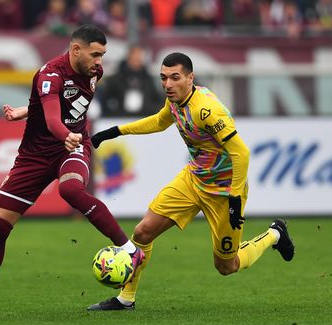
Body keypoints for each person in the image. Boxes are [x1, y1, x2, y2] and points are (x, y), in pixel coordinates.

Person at [0, 24, 144, 320]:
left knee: (70, 189)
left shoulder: (94, 73)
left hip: (73, 146)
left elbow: (66, 104)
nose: (100, 62)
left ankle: (129, 249)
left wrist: (54, 127)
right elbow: (52, 117)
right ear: (76, 49)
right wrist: (60, 130)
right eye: (96, 54)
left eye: (102, 55)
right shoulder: (50, 74)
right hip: (36, 154)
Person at [87, 52, 295, 311]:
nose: (168, 84)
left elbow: (241, 153)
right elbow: (159, 121)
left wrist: (234, 198)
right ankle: (125, 298)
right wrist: (114, 132)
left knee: (226, 266)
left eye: (175, 78)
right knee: (142, 231)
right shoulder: (174, 100)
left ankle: (274, 234)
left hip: (223, 191)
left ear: (190, 78)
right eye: (163, 78)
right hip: (194, 179)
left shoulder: (207, 110)